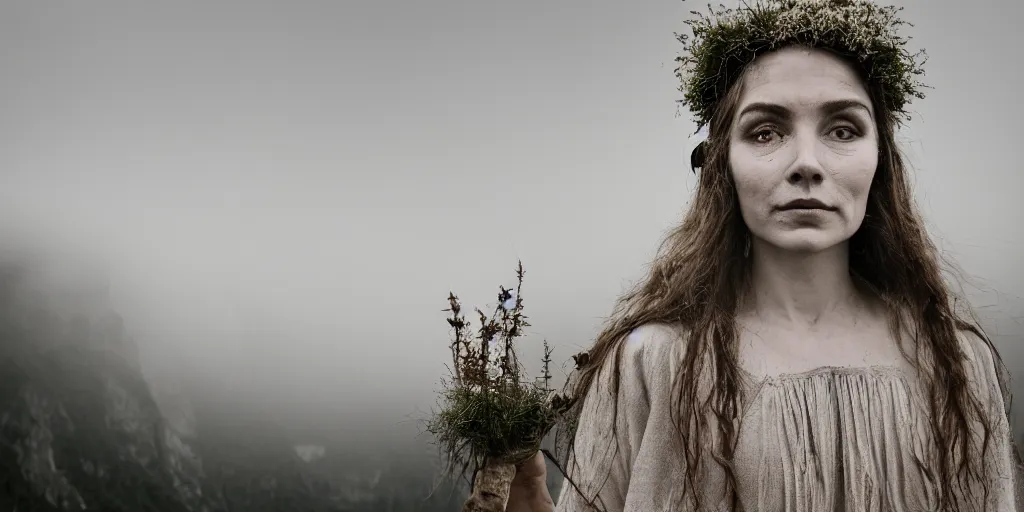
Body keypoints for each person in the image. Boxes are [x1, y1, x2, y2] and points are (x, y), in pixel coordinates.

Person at [504, 0, 1022, 510]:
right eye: (765, 132)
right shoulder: (653, 363)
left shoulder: (955, 366)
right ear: (722, 163)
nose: (806, 164)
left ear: (880, 159)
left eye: (842, 130)